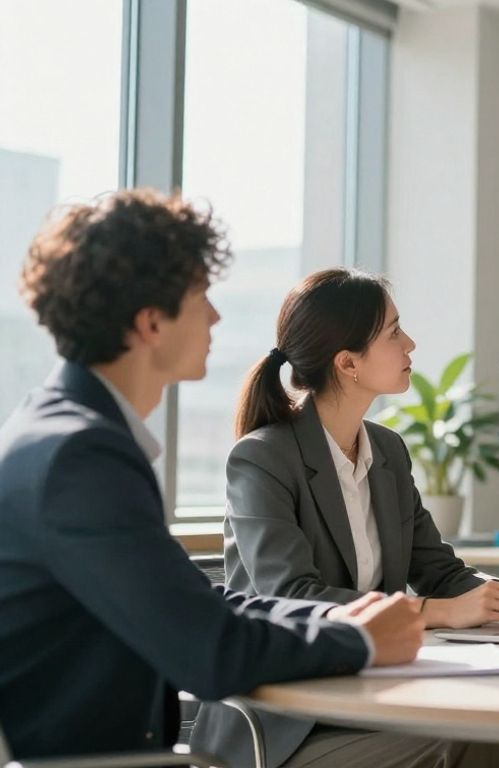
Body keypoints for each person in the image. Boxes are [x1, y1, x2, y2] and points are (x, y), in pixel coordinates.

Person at [0, 189, 426, 762]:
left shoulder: (67, 435)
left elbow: (201, 601)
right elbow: (211, 652)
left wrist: (341, 613)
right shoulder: (81, 458)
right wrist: (359, 640)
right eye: (201, 296)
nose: (216, 316)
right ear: (151, 322)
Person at [194, 267, 499, 768]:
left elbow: (439, 571)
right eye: (394, 332)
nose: (410, 344)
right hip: (287, 723)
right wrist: (439, 613)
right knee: (462, 747)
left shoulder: (389, 452)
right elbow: (290, 596)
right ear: (348, 363)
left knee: (477, 738)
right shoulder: (262, 458)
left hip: (376, 697)